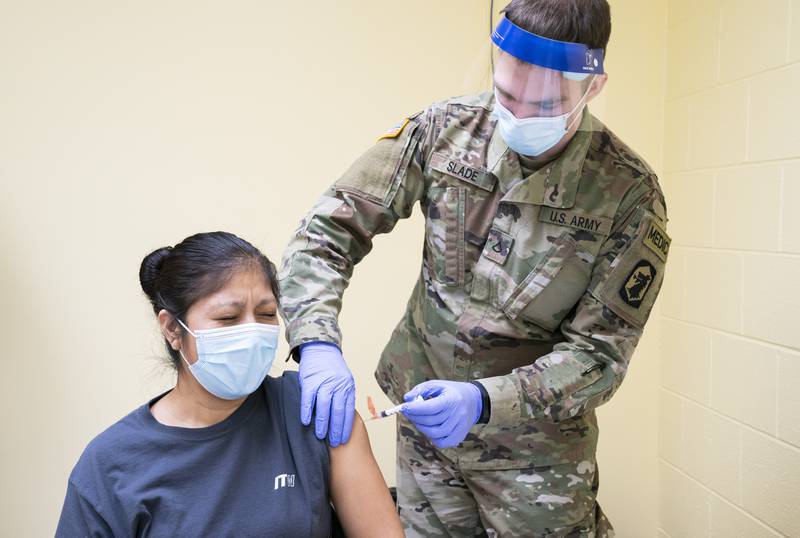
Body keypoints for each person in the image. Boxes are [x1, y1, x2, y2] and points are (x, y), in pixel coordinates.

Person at [279, 0, 670, 535]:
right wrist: (316, 342)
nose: (521, 116)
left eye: (545, 104)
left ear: (593, 86)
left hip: (537, 459)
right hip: (427, 438)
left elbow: (598, 356)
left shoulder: (627, 195)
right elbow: (327, 231)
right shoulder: (444, 131)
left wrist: (486, 399)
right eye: (507, 95)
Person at [55, 231, 403, 538]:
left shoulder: (312, 409)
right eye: (228, 318)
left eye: (266, 314)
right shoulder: (112, 464)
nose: (252, 333)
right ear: (173, 329)